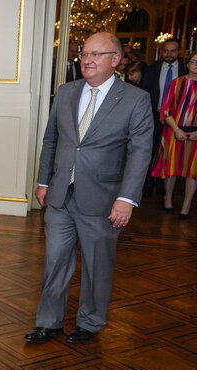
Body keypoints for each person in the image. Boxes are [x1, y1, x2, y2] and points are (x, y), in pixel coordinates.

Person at [26, 32, 153, 345]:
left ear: (116, 59)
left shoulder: (135, 100)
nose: (87, 59)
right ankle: (49, 322)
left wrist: (127, 199)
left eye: (97, 54)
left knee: (98, 265)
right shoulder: (67, 92)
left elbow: (140, 152)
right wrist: (44, 181)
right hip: (60, 195)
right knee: (54, 261)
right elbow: (51, 139)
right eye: (84, 53)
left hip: (103, 199)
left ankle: (90, 322)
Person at [151, 50, 197, 219]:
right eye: (193, 62)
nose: (196, 66)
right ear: (187, 64)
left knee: (193, 170)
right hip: (174, 130)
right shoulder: (177, 83)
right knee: (170, 168)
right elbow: (165, 109)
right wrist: (176, 130)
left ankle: (186, 205)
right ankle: (168, 199)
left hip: (196, 134)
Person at [140, 38, 186, 195]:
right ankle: (146, 183)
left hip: (176, 121)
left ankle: (162, 184)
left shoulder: (186, 70)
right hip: (153, 116)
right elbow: (143, 94)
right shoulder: (152, 70)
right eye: (166, 51)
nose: (169, 54)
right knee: (149, 151)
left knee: (168, 154)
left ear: (179, 52)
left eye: (172, 51)